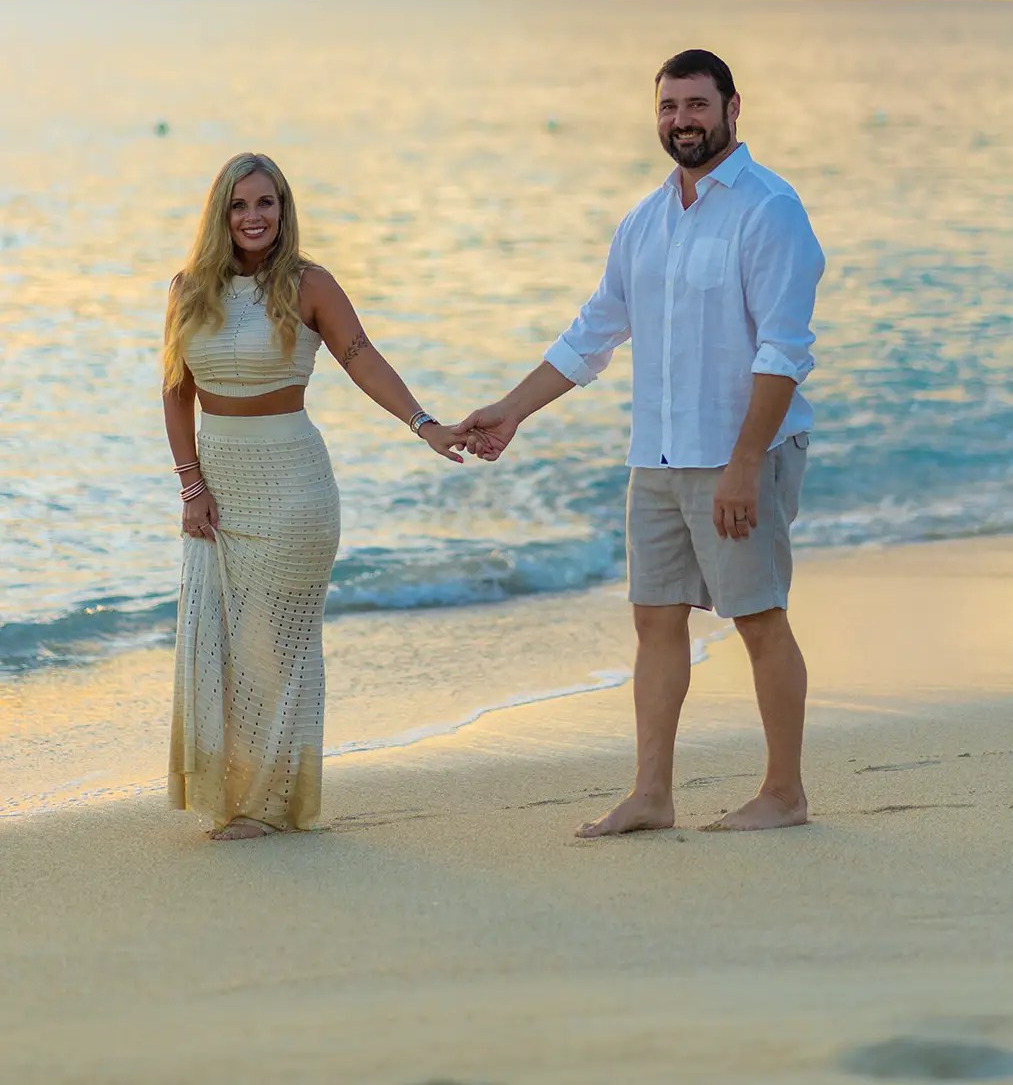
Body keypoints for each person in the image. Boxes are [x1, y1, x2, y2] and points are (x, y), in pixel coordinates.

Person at [459, 50, 825, 839]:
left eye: (696, 105)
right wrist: (512, 410)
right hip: (656, 457)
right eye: (668, 107)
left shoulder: (770, 210)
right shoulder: (644, 221)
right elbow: (592, 335)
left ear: (732, 108)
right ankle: (651, 795)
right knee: (655, 621)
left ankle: (784, 793)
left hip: (740, 455)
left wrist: (739, 464)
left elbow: (783, 353)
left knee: (758, 617)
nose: (681, 121)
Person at [162, 152, 463, 841]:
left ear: (283, 210)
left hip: (294, 489)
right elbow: (175, 392)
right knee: (223, 647)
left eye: (265, 203)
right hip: (220, 490)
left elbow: (361, 357)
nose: (253, 217)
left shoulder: (308, 285)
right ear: (221, 214)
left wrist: (423, 425)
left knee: (273, 649)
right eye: (239, 206)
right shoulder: (188, 289)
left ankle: (266, 806)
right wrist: (190, 485)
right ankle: (243, 796)